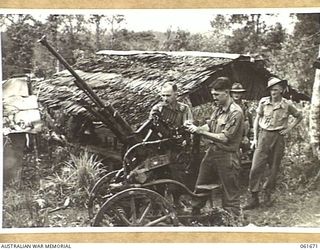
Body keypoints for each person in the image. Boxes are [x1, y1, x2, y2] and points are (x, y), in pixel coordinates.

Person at [185, 77, 244, 219]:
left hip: (227, 155)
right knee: (201, 184)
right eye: (213, 95)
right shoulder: (218, 109)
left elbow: (224, 138)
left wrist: (200, 132)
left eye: (217, 95)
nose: (214, 98)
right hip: (212, 152)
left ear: (226, 92)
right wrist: (195, 128)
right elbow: (210, 126)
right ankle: (194, 215)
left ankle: (233, 220)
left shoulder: (235, 112)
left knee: (230, 190)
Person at [244, 76, 303, 209]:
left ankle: (268, 195)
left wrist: (288, 129)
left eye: (276, 90)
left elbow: (299, 116)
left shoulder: (287, 104)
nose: (273, 92)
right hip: (264, 136)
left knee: (274, 168)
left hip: (278, 138)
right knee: (255, 168)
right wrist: (255, 138)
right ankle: (254, 198)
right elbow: (257, 119)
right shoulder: (263, 102)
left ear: (281, 90)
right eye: (271, 90)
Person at [150, 82, 193, 209]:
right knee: (158, 174)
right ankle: (159, 202)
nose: (165, 98)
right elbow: (151, 128)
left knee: (177, 176)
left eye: (168, 95)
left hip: (176, 148)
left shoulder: (183, 109)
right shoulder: (156, 109)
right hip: (160, 148)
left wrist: (183, 138)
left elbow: (188, 126)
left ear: (176, 95)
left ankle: (176, 201)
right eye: (163, 95)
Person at [230, 82, 252, 156]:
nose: (237, 95)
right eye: (235, 92)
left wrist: (245, 135)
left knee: (246, 145)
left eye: (239, 93)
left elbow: (246, 121)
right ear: (231, 93)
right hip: (229, 130)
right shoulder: (228, 104)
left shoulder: (244, 105)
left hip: (241, 130)